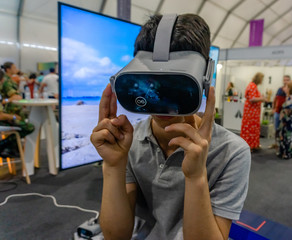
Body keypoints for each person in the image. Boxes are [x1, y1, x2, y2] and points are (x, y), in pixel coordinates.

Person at [90, 14, 251, 240]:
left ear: (204, 78)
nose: (161, 100)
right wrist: (113, 165)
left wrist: (196, 177)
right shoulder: (129, 143)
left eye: (175, 84)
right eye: (151, 83)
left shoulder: (232, 152)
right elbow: (116, 236)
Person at [0, 70, 34, 157]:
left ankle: (8, 148)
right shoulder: (7, 84)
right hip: (2, 120)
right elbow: (1, 116)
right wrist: (14, 117)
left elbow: (3, 101)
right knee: (28, 127)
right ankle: (3, 145)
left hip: (4, 117)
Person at [240, 72, 265, 151]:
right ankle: (249, 145)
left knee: (253, 127)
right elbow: (252, 99)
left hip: (253, 112)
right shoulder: (252, 86)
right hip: (251, 112)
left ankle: (253, 144)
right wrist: (262, 99)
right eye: (262, 79)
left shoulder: (253, 85)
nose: (262, 81)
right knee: (250, 128)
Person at [276, 81, 292, 160]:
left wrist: (282, 114)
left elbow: (288, 109)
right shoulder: (291, 97)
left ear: (289, 89)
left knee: (287, 137)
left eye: (286, 87)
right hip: (289, 121)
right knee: (287, 136)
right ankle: (285, 152)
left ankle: (286, 153)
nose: (284, 88)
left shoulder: (291, 98)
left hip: (288, 121)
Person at [269, 75, 291, 149]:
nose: (286, 81)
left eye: (287, 80)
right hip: (277, 112)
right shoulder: (279, 89)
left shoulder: (291, 90)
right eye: (284, 80)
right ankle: (276, 144)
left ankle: (282, 145)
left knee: (283, 130)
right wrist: (273, 108)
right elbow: (275, 99)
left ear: (289, 81)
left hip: (285, 114)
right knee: (276, 129)